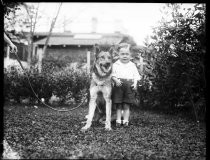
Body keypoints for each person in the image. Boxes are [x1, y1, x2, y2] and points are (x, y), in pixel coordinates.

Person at [111, 43, 141, 127]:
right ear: (118, 55)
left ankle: (125, 121)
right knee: (119, 105)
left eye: (127, 54)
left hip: (129, 86)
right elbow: (112, 74)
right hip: (119, 86)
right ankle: (118, 120)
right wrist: (115, 79)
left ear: (130, 55)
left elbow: (136, 76)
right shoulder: (115, 64)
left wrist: (135, 84)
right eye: (122, 54)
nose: (125, 56)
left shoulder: (132, 65)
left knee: (126, 105)